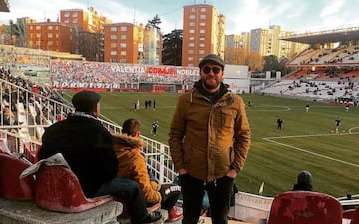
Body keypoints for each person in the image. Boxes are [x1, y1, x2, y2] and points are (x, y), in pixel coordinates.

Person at [37, 90, 162, 224]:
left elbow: (43, 154)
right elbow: (109, 169)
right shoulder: (99, 132)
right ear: (96, 108)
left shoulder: (54, 129)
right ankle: (142, 218)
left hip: (56, 183)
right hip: (86, 188)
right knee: (134, 186)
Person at [169, 54, 251, 224]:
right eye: (207, 69)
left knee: (220, 220)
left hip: (223, 173)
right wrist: (181, 168)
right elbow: (175, 134)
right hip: (192, 172)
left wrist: (234, 170)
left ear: (222, 73)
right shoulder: (186, 101)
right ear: (200, 73)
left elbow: (244, 136)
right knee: (189, 219)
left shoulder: (235, 102)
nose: (211, 73)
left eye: (216, 69)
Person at [112, 118, 182, 220]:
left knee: (156, 183)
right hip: (135, 203)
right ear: (138, 134)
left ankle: (168, 212)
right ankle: (166, 214)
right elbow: (145, 192)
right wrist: (159, 197)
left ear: (122, 132)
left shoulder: (112, 149)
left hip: (118, 196)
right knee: (176, 188)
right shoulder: (136, 157)